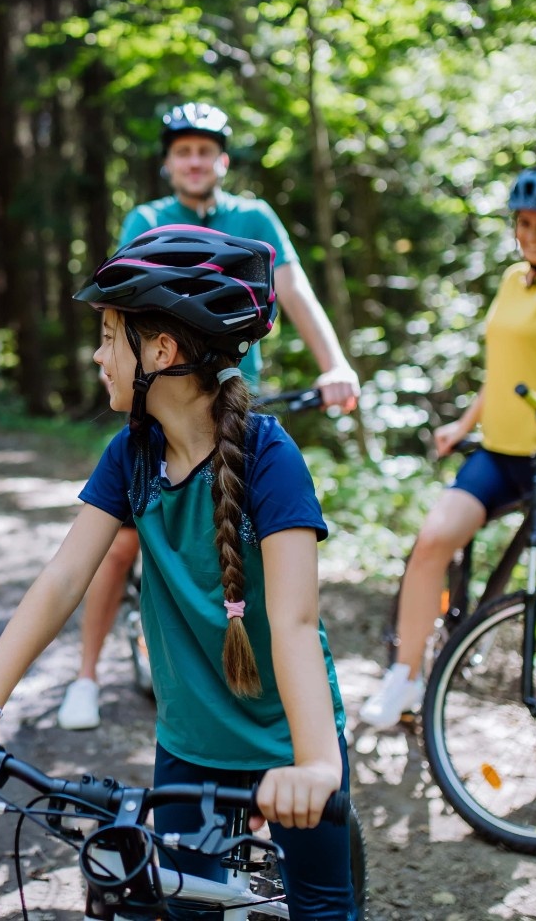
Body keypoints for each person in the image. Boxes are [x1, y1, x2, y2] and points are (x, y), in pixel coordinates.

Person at [0, 226, 356, 919]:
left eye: (109, 335)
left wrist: (316, 764)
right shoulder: (131, 456)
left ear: (162, 351)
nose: (97, 354)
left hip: (289, 736)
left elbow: (296, 623)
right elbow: (62, 580)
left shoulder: (271, 457)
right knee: (180, 907)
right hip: (190, 745)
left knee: (323, 910)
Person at [58, 100, 360, 730]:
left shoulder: (254, 216)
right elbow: (129, 306)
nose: (194, 162)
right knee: (118, 543)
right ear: (169, 164)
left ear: (221, 161)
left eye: (205, 151)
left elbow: (295, 291)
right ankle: (86, 676)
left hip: (229, 404)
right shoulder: (147, 217)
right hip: (164, 401)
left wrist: (334, 363)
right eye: (182, 152)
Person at [357, 164, 536, 774]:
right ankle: (405, 676)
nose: (533, 235)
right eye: (525, 224)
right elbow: (504, 371)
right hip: (499, 453)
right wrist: (463, 423)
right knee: (433, 541)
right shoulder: (512, 280)